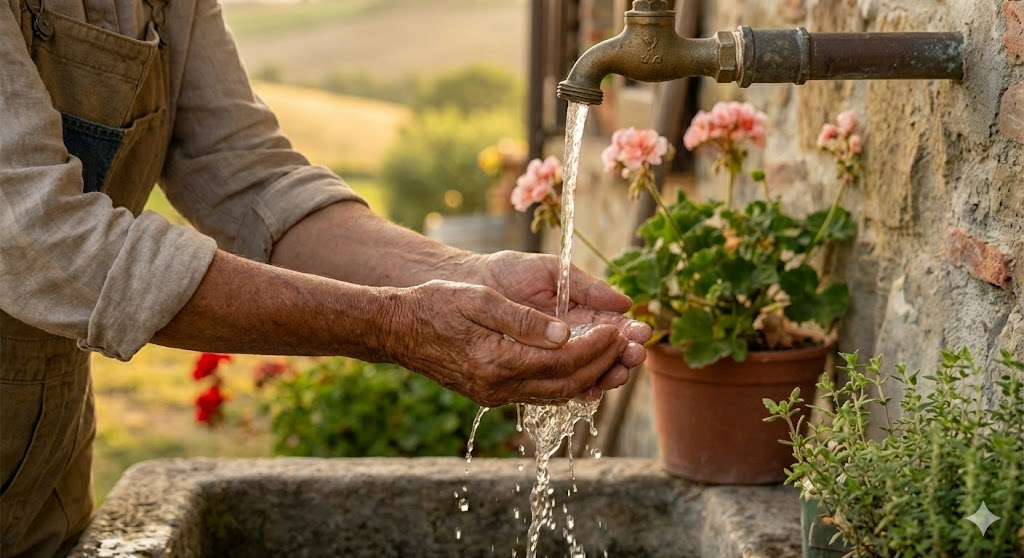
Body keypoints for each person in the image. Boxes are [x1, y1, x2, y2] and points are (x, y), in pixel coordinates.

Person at [0, 0, 652, 555]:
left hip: (40, 479)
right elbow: (36, 235)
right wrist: (392, 325)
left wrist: (466, 274)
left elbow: (246, 174)